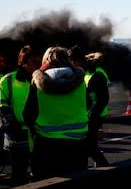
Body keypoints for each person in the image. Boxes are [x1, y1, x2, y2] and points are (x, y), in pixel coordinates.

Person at [23, 46, 89, 181]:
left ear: (46, 60)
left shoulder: (37, 81)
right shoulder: (80, 82)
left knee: (44, 182)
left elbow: (28, 114)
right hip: (77, 143)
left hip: (47, 144)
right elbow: (88, 104)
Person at [0, 45, 42, 185]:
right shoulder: (8, 80)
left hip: (38, 134)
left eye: (39, 61)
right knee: (19, 175)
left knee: (40, 176)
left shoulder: (41, 80)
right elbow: (2, 105)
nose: (38, 64)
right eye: (34, 61)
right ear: (23, 62)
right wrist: (11, 125)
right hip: (17, 136)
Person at [68, 46, 110, 167]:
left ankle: (104, 167)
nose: (70, 65)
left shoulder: (97, 74)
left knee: (89, 145)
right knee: (87, 145)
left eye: (71, 62)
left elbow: (103, 99)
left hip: (96, 114)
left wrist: (90, 115)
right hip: (88, 114)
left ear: (77, 60)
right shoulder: (84, 71)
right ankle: (88, 168)